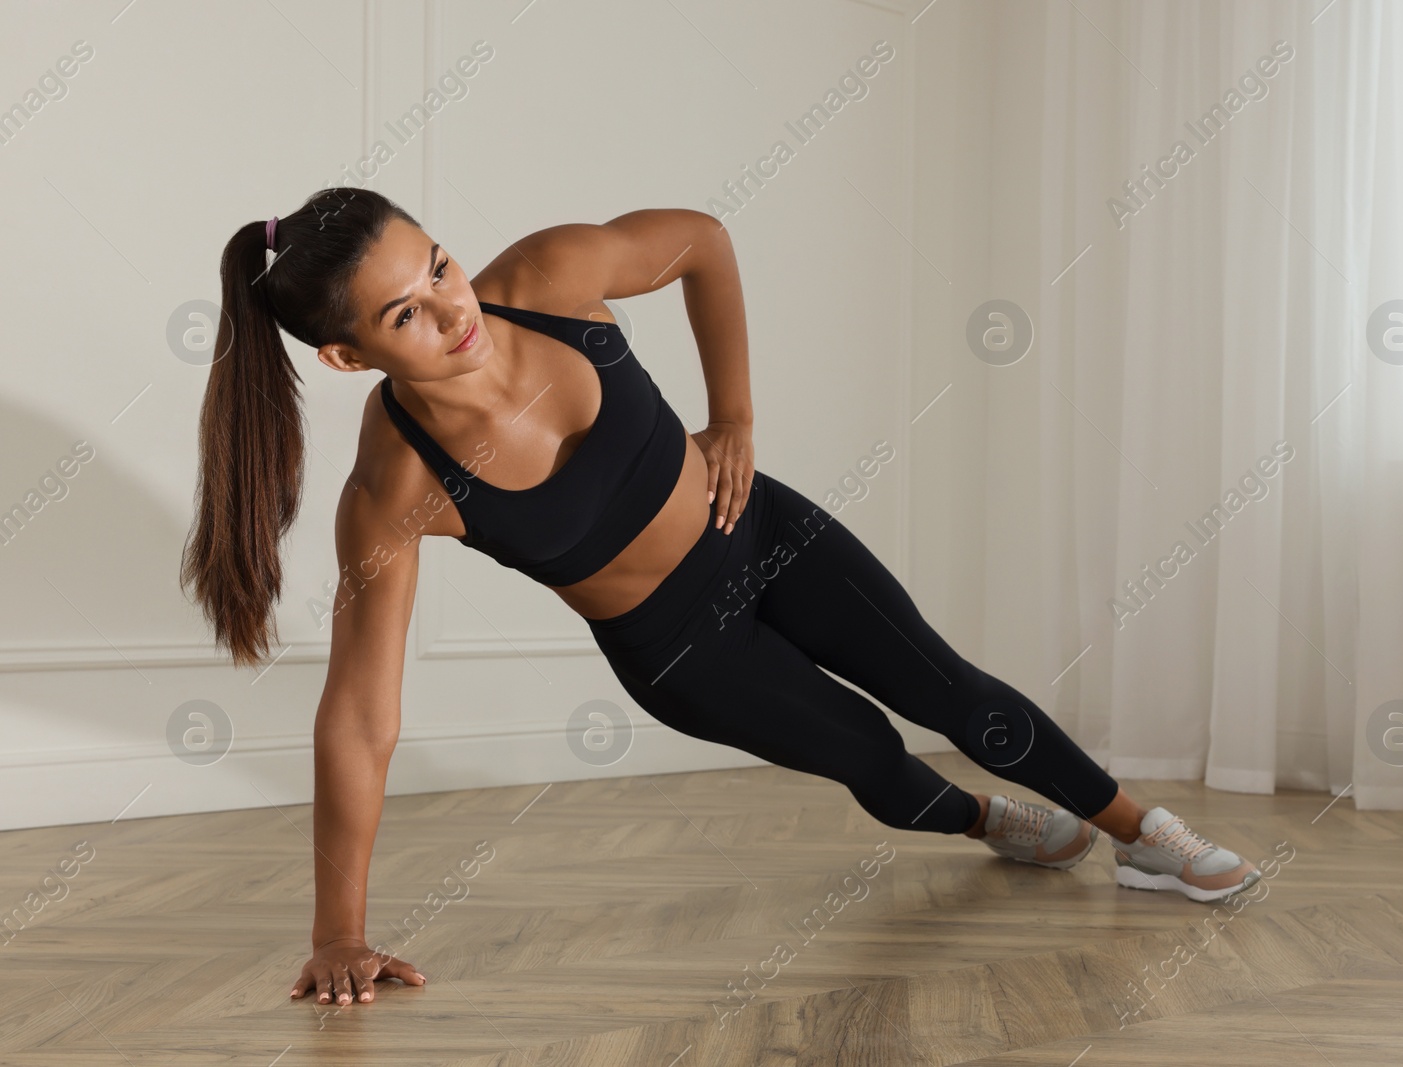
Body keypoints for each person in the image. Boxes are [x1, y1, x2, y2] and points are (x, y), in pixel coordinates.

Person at [180, 187, 1261, 1009]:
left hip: (760, 527)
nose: (450, 309)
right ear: (345, 353)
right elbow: (362, 718)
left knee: (951, 689)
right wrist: (338, 931)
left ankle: (1142, 835)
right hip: (677, 648)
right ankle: (992, 821)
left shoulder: (551, 278)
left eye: (440, 265)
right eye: (404, 314)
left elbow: (701, 241)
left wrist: (732, 416)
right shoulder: (399, 486)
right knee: (870, 757)